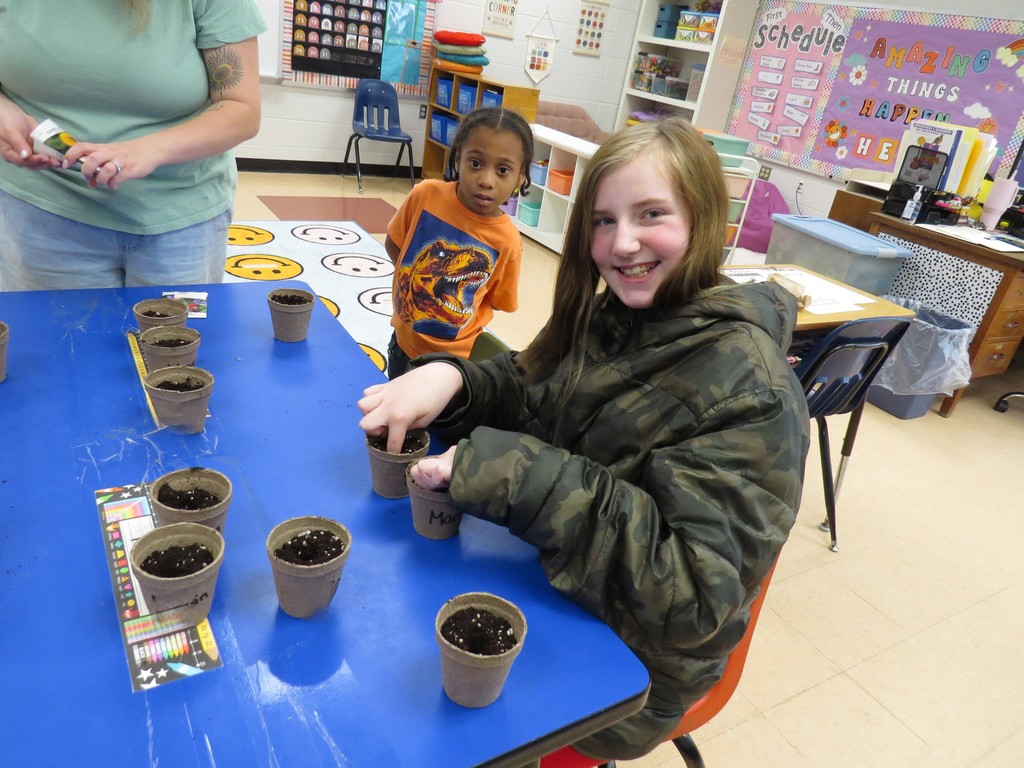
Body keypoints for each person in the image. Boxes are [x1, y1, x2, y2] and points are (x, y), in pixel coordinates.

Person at [358, 116, 809, 762]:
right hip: (558, 585)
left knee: (422, 719)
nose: (622, 243)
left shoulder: (752, 392)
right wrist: (453, 384)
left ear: (704, 217)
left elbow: (690, 595)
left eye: (651, 214)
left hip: (633, 667)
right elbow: (530, 389)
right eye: (603, 221)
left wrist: (519, 473)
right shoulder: (617, 315)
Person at [0, 0, 265, 290]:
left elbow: (242, 110)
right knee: (59, 333)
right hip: (45, 209)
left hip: (181, 218)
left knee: (176, 333)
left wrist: (151, 149)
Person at [384, 106, 534, 378]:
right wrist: (413, 284)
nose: (486, 181)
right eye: (475, 164)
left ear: (520, 177)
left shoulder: (508, 241)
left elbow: (498, 300)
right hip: (402, 342)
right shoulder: (425, 194)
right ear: (457, 160)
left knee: (433, 422)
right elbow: (395, 243)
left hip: (451, 364)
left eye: (502, 170)